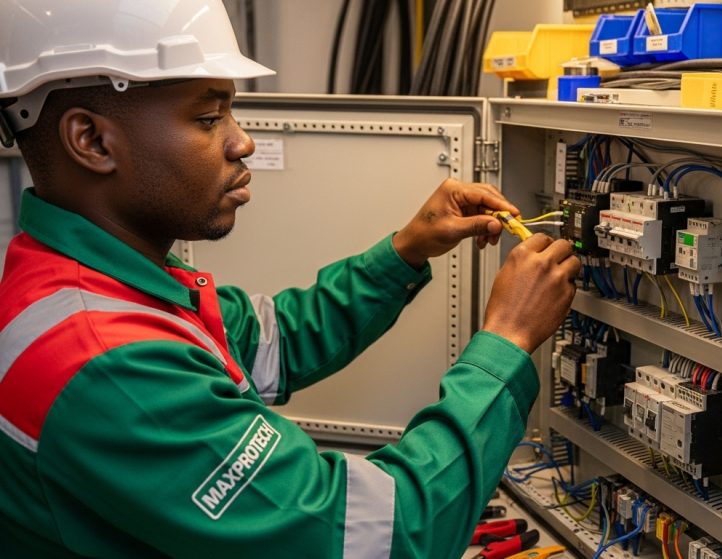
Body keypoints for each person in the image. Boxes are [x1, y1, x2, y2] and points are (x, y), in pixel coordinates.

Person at [0, 1, 580, 557]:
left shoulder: (107, 283)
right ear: (92, 140)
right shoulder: (103, 363)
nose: (241, 141)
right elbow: (385, 535)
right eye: (207, 118)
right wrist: (504, 344)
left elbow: (275, 339)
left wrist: (406, 251)